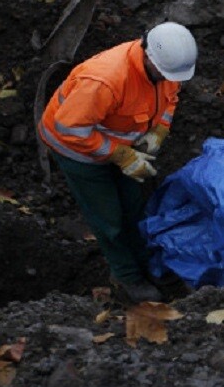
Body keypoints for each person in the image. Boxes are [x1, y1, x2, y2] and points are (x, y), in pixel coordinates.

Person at [38, 22, 197, 303]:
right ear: (148, 56)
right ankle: (126, 275)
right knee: (109, 217)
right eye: (165, 73)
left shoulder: (166, 68)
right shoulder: (105, 80)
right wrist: (122, 155)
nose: (168, 78)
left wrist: (159, 130)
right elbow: (70, 129)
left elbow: (170, 98)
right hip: (77, 151)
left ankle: (150, 264)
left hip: (120, 142)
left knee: (135, 208)